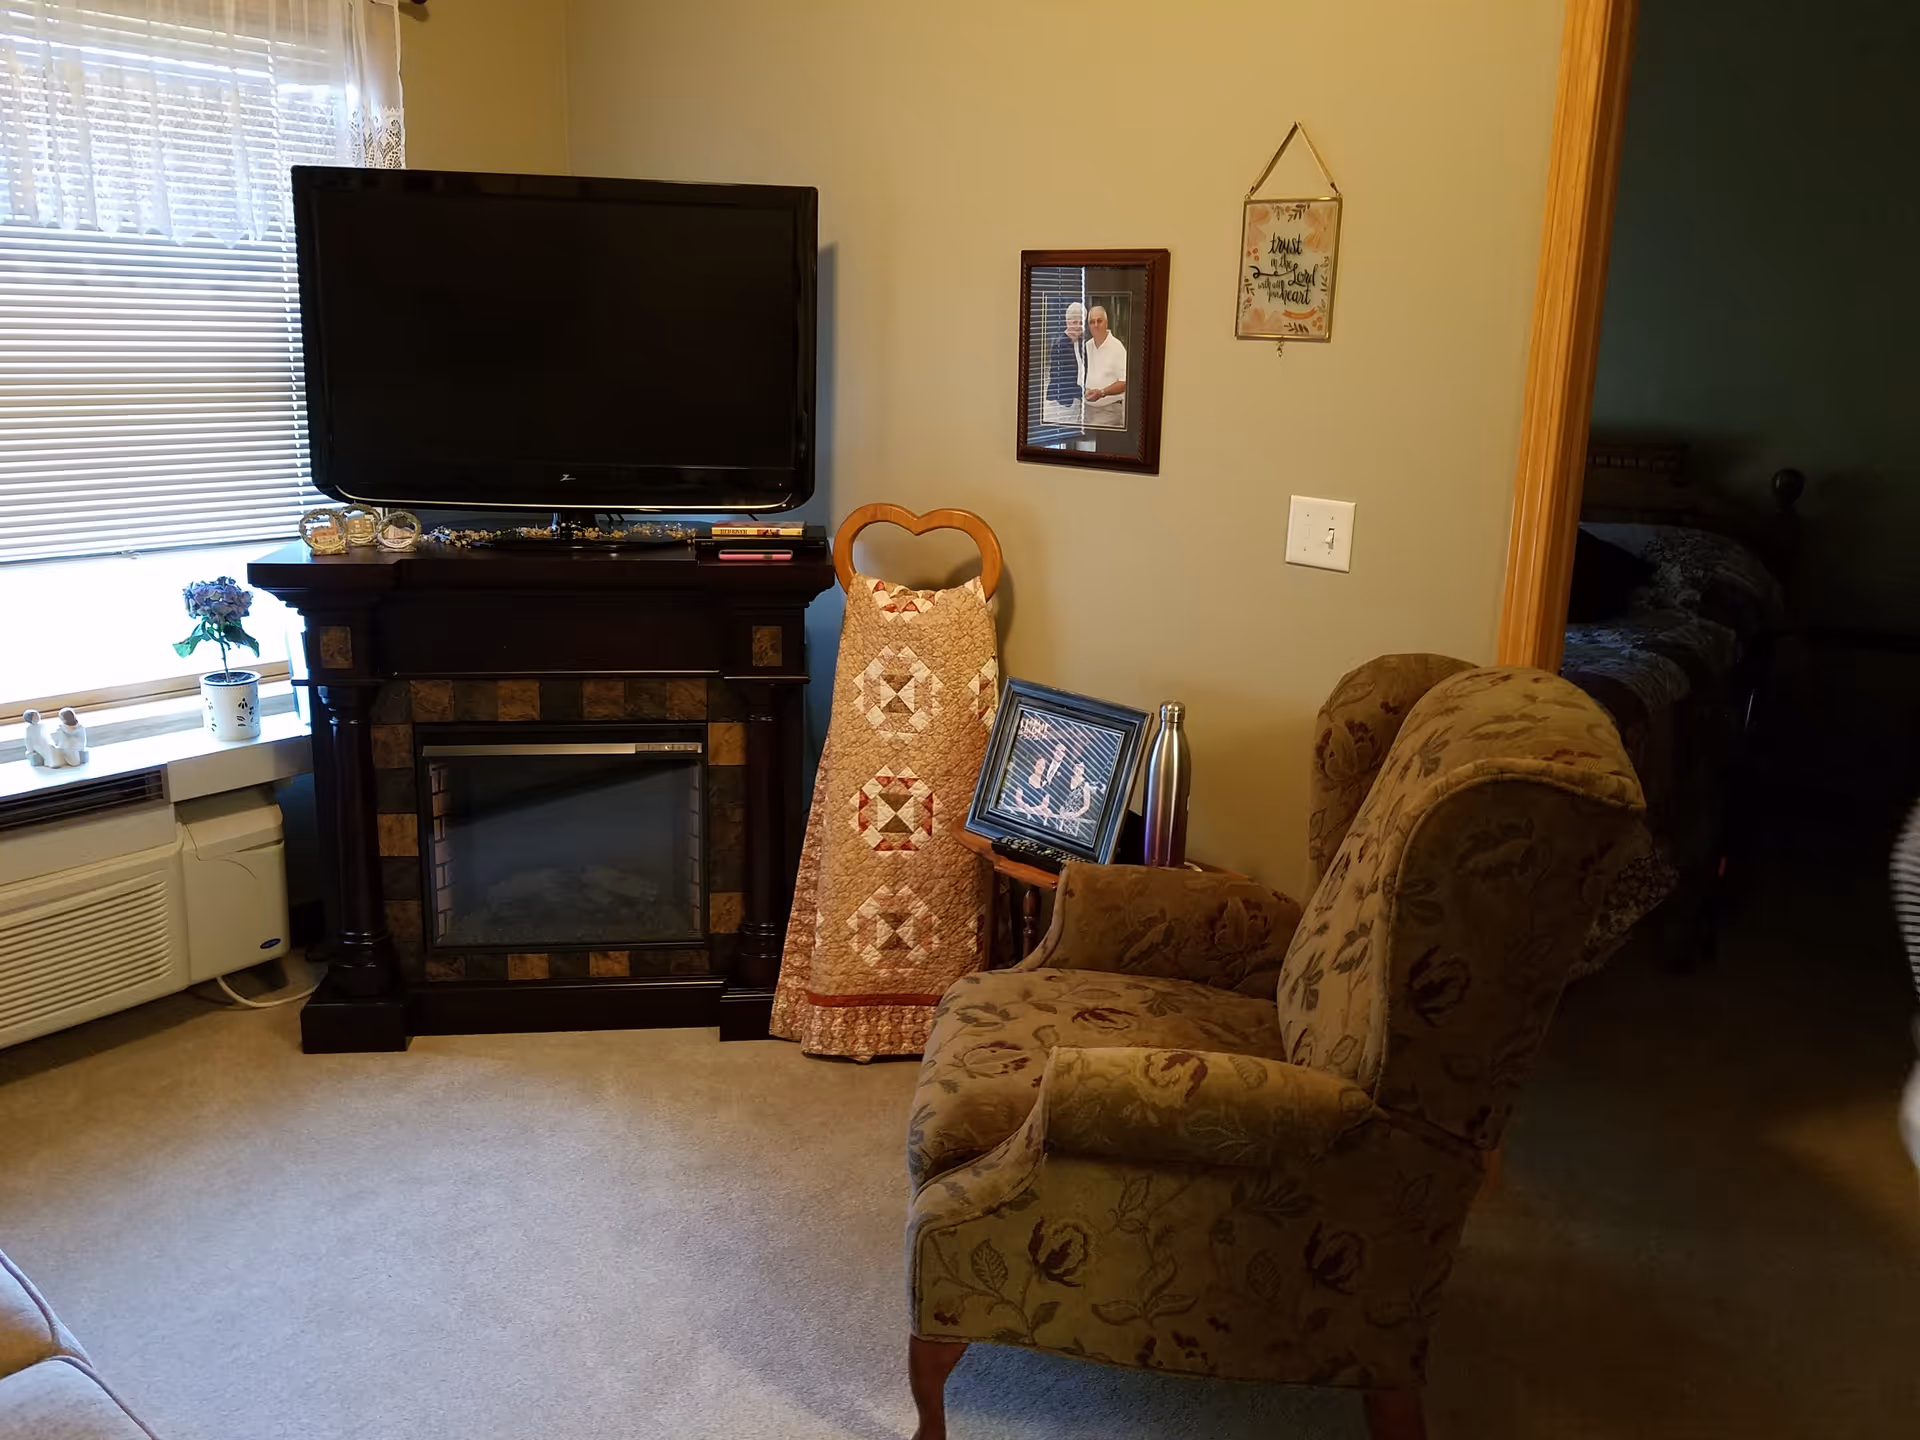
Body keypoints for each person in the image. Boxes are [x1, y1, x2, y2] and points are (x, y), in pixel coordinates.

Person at [1082, 303, 1127, 429]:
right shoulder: (1086, 347)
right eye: (1092, 322)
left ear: (1106, 323)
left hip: (1110, 410)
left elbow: (1125, 382)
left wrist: (1102, 392)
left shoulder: (1117, 347)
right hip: (1086, 409)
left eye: (1099, 321)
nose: (1096, 325)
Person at [1042, 302, 1085, 426]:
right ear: (1067, 322)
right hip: (1060, 406)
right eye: (1074, 322)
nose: (1078, 326)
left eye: (1081, 323)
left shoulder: (1077, 344)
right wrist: (1084, 392)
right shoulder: (1061, 345)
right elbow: (1060, 380)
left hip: (1072, 405)